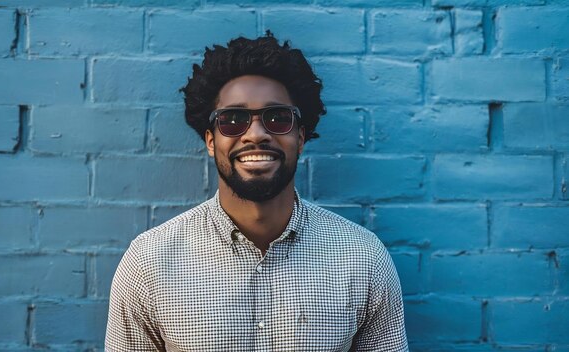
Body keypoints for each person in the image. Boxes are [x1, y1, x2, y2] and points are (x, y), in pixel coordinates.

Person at [105, 33, 408, 351]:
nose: (256, 135)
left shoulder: (362, 259)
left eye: (277, 118)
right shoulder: (150, 263)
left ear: (300, 138)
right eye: (233, 120)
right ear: (211, 141)